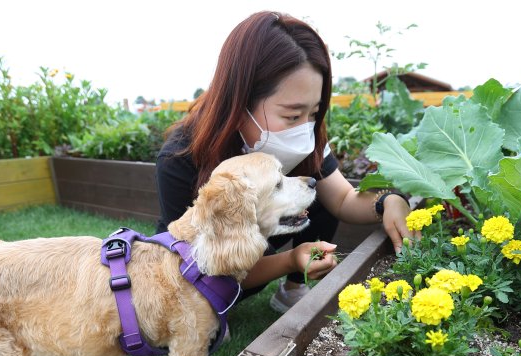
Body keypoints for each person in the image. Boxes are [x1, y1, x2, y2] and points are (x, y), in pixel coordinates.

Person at [155, 11, 415, 313]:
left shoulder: (305, 139)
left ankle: (292, 289)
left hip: (262, 241)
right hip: (201, 269)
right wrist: (291, 259)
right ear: (240, 103)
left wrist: (388, 201)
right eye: (292, 115)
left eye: (313, 113)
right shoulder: (181, 157)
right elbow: (198, 265)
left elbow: (344, 199)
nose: (305, 129)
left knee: (313, 188)